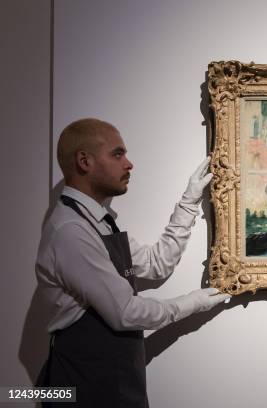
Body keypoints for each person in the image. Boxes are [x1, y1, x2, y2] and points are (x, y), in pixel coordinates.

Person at [35, 118, 231, 407]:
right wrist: (195, 302)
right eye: (118, 154)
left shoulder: (98, 222)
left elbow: (156, 263)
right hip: (83, 389)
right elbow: (126, 312)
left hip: (111, 383)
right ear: (84, 161)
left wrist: (189, 202)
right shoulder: (71, 231)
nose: (129, 163)